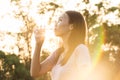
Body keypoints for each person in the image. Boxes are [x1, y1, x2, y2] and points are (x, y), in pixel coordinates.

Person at [30, 10, 92, 80]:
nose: (55, 24)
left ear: (71, 26)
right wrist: (38, 45)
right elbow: (35, 72)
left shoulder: (80, 49)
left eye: (60, 20)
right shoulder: (58, 53)